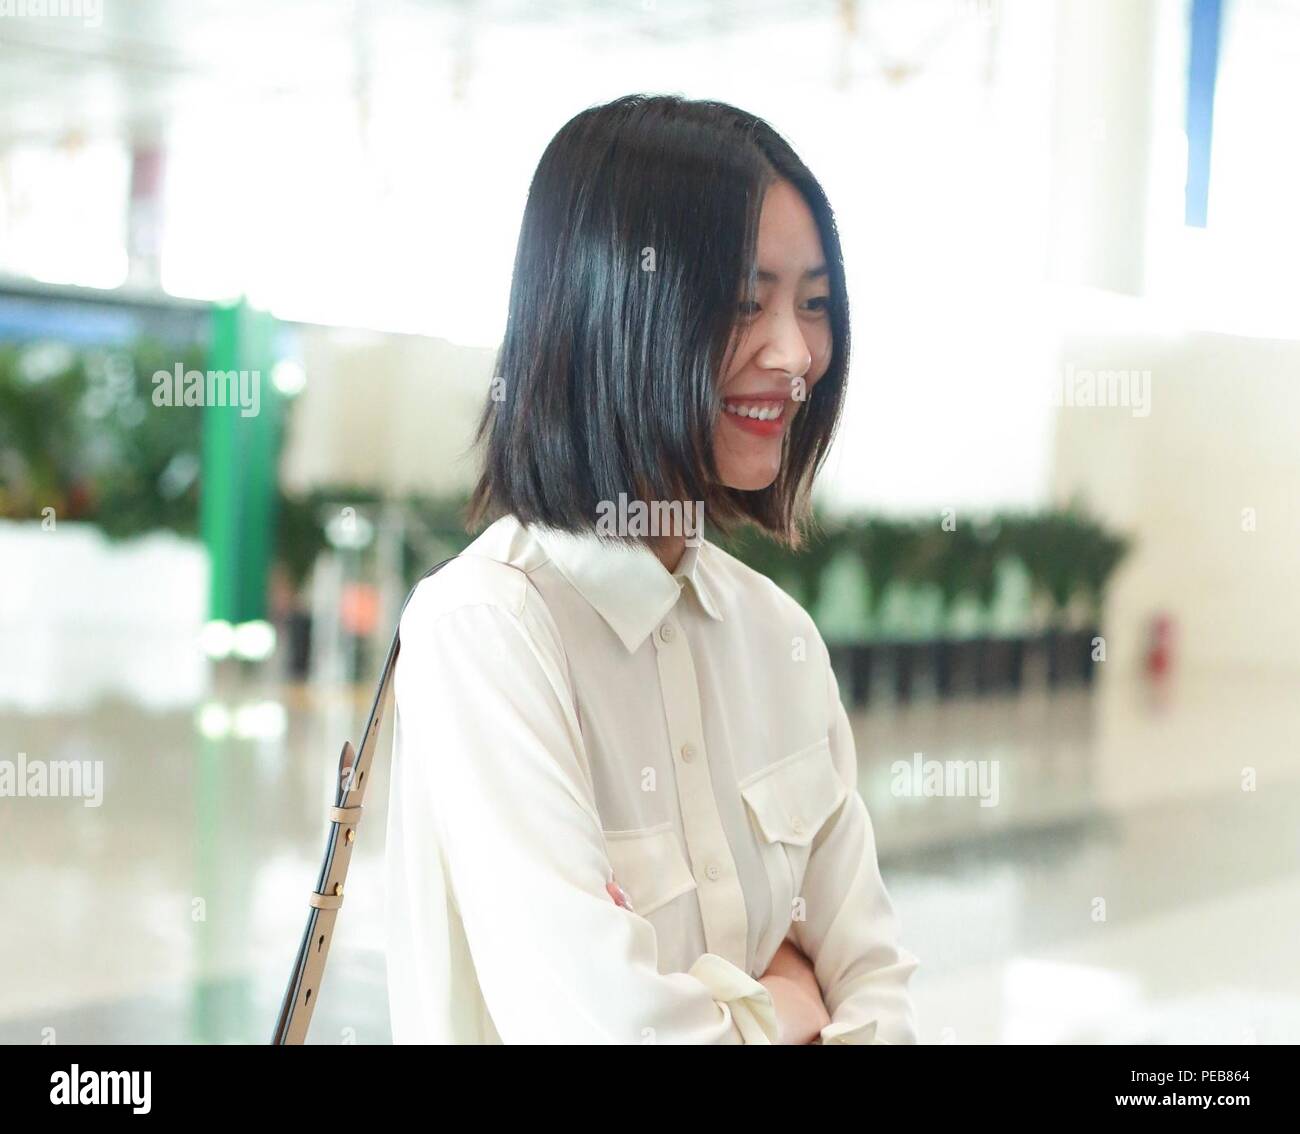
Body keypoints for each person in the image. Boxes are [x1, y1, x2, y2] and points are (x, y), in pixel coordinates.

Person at [384, 93, 919, 1044]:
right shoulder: (487, 631)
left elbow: (876, 980)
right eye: (745, 301)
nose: (796, 355)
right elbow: (604, 1031)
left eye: (814, 305)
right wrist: (785, 1004)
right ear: (611, 307)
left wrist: (735, 1009)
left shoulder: (778, 637)